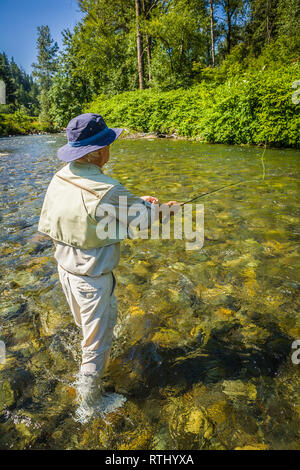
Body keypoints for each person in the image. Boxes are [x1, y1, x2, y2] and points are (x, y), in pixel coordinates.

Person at [38, 113, 178, 420]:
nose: (111, 149)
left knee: (89, 329)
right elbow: (143, 222)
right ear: (99, 151)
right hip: (92, 281)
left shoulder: (62, 175)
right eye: (109, 143)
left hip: (66, 271)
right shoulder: (108, 189)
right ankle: (88, 406)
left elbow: (88, 207)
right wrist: (166, 210)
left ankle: (89, 361)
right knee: (96, 349)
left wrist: (137, 200)